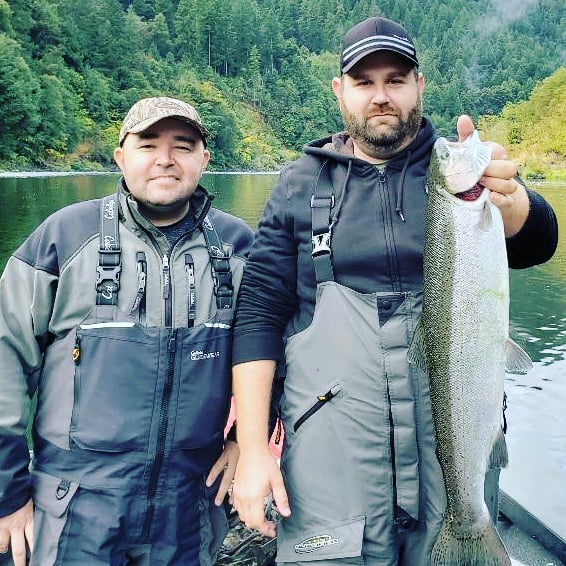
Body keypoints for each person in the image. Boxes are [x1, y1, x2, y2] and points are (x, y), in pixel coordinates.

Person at [231, 16, 559, 565]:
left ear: (419, 85)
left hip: (449, 448)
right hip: (333, 461)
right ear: (340, 92)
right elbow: (258, 317)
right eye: (364, 82)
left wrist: (514, 205)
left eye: (396, 80)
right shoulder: (298, 183)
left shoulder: (459, 174)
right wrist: (250, 452)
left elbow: (538, 242)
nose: (381, 96)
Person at [0, 96, 253, 565]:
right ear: (121, 157)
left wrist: (246, 439)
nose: (165, 159)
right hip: (74, 505)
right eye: (148, 144)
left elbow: (274, 349)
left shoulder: (241, 248)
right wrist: (7, 495)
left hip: (190, 507)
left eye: (182, 145)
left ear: (204, 159)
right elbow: (4, 361)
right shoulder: (64, 236)